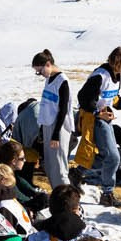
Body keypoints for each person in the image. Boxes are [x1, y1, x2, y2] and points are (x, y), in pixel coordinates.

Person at [77, 47, 121, 206]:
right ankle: (107, 194)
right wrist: (97, 112)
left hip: (105, 119)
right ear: (117, 61)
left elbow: (111, 97)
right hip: (94, 120)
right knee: (114, 157)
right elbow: (83, 97)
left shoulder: (116, 75)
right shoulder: (100, 75)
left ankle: (77, 172)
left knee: (105, 157)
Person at [33, 50, 77, 190]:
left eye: (40, 71)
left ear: (48, 64)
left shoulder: (62, 81)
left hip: (59, 127)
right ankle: (57, 195)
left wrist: (56, 134)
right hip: (48, 125)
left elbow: (63, 109)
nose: (40, 75)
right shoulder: (49, 79)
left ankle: (68, 198)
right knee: (50, 166)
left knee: (59, 166)